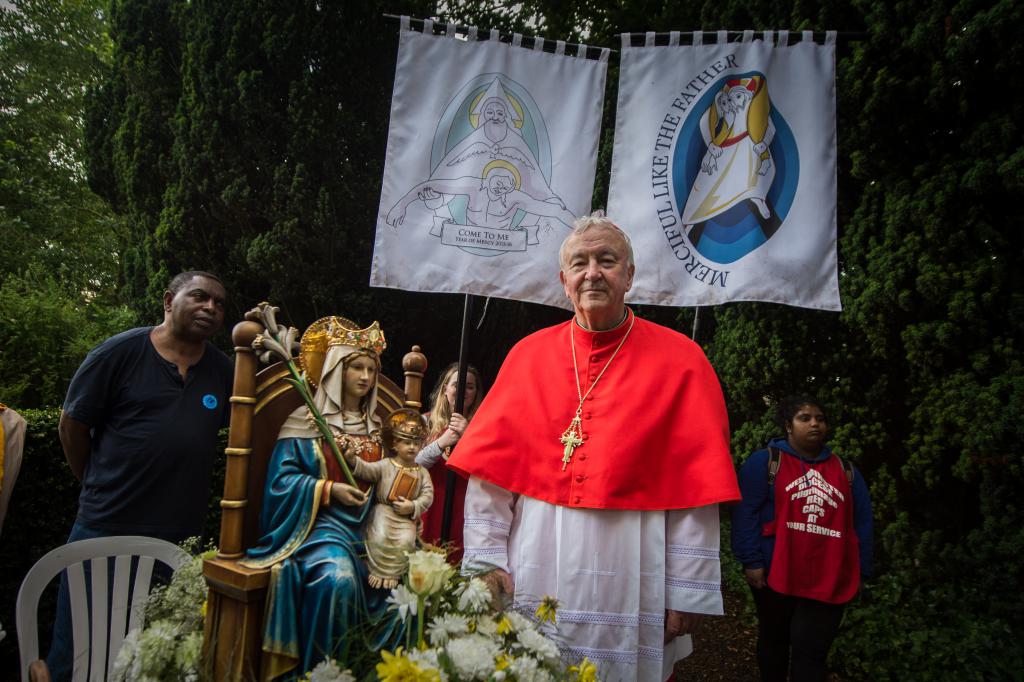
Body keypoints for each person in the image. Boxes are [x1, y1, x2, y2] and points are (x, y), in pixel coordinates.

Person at [446, 214, 741, 681]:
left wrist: (686, 590)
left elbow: (695, 489)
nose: (592, 273)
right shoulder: (527, 356)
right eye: (579, 263)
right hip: (536, 553)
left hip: (636, 561)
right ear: (564, 281)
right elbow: (492, 478)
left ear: (630, 275)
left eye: (607, 260)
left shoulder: (683, 360)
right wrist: (486, 561)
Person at [47, 270, 232, 680]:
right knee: (82, 647)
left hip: (180, 536)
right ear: (169, 301)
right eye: (200, 297)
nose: (211, 308)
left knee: (157, 649)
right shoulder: (120, 352)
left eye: (219, 304)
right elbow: (70, 426)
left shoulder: (223, 370)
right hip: (105, 525)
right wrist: (95, 483)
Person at [242, 317, 402, 679]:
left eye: (371, 369)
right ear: (334, 370)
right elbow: (281, 483)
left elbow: (390, 481)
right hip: (320, 532)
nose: (365, 377)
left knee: (412, 583)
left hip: (370, 532)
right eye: (356, 367)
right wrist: (328, 490)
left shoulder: (378, 428)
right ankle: (323, 674)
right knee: (338, 581)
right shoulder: (305, 422)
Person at [731, 396, 873, 682]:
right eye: (804, 418)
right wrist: (751, 560)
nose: (814, 424)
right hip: (775, 571)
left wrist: (862, 571)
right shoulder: (766, 463)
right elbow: (745, 513)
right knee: (775, 639)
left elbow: (862, 522)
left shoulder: (846, 471)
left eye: (820, 419)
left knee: (812, 651)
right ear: (788, 426)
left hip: (829, 573)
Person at [346, 407, 434, 589]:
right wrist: (353, 460)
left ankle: (393, 573)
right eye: (407, 442)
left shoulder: (422, 472)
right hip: (384, 513)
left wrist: (413, 506)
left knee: (406, 541)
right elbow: (367, 470)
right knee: (379, 534)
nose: (412, 447)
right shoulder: (386, 465)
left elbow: (427, 495)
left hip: (405, 519)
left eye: (416, 443)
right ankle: (378, 571)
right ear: (395, 444)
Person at [415, 363, 484, 562]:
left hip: (463, 509)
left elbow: (486, 471)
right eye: (456, 384)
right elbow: (412, 467)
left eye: (470, 386)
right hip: (430, 504)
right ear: (445, 388)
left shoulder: (481, 429)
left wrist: (469, 435)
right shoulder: (425, 423)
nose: (463, 390)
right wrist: (441, 443)